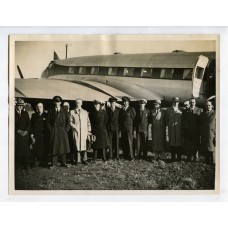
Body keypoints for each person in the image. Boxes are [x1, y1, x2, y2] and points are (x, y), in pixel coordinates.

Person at [47, 96, 70, 168]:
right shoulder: (51, 111)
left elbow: (68, 122)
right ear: (54, 102)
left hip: (62, 131)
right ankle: (53, 164)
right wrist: (51, 130)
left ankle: (64, 163)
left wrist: (66, 130)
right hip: (54, 131)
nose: (57, 103)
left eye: (58, 102)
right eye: (56, 102)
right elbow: (48, 122)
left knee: (63, 146)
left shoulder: (64, 111)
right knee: (54, 146)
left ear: (60, 103)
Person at [70, 99, 91, 165]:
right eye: (77, 103)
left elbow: (88, 122)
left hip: (84, 131)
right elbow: (70, 122)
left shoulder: (85, 112)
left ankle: (84, 159)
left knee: (84, 145)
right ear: (75, 104)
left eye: (79, 103)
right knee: (77, 145)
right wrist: (74, 127)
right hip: (76, 131)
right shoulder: (72, 112)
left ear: (81, 104)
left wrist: (88, 131)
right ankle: (78, 160)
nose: (78, 104)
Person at [182, 97, 202, 162]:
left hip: (196, 131)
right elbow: (183, 120)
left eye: (193, 102)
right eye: (190, 102)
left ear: (195, 103)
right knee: (188, 144)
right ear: (189, 103)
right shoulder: (185, 111)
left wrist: (199, 128)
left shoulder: (199, 110)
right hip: (188, 131)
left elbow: (201, 121)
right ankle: (189, 157)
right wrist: (186, 126)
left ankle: (195, 157)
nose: (192, 103)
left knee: (196, 144)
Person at [15, 98, 31, 172]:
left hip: (25, 136)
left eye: (21, 105)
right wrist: (19, 131)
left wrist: (26, 131)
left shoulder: (25, 113)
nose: (20, 107)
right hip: (17, 136)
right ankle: (16, 167)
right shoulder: (13, 113)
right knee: (17, 152)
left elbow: (29, 124)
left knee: (26, 153)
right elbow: (11, 125)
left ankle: (26, 167)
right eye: (19, 105)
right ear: (16, 105)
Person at [165, 97, 183, 162]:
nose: (176, 103)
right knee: (172, 143)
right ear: (172, 102)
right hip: (171, 129)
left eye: (177, 102)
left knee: (178, 143)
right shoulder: (168, 110)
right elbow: (167, 119)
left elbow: (183, 119)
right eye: (174, 102)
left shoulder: (181, 109)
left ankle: (178, 158)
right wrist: (169, 125)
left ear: (178, 102)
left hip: (179, 129)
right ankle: (173, 158)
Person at [200, 100, 216, 165]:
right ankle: (207, 161)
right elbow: (200, 123)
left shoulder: (215, 113)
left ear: (212, 106)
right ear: (205, 106)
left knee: (211, 147)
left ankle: (212, 162)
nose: (208, 106)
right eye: (206, 105)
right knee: (206, 147)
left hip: (212, 133)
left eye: (209, 105)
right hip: (205, 133)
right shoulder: (203, 114)